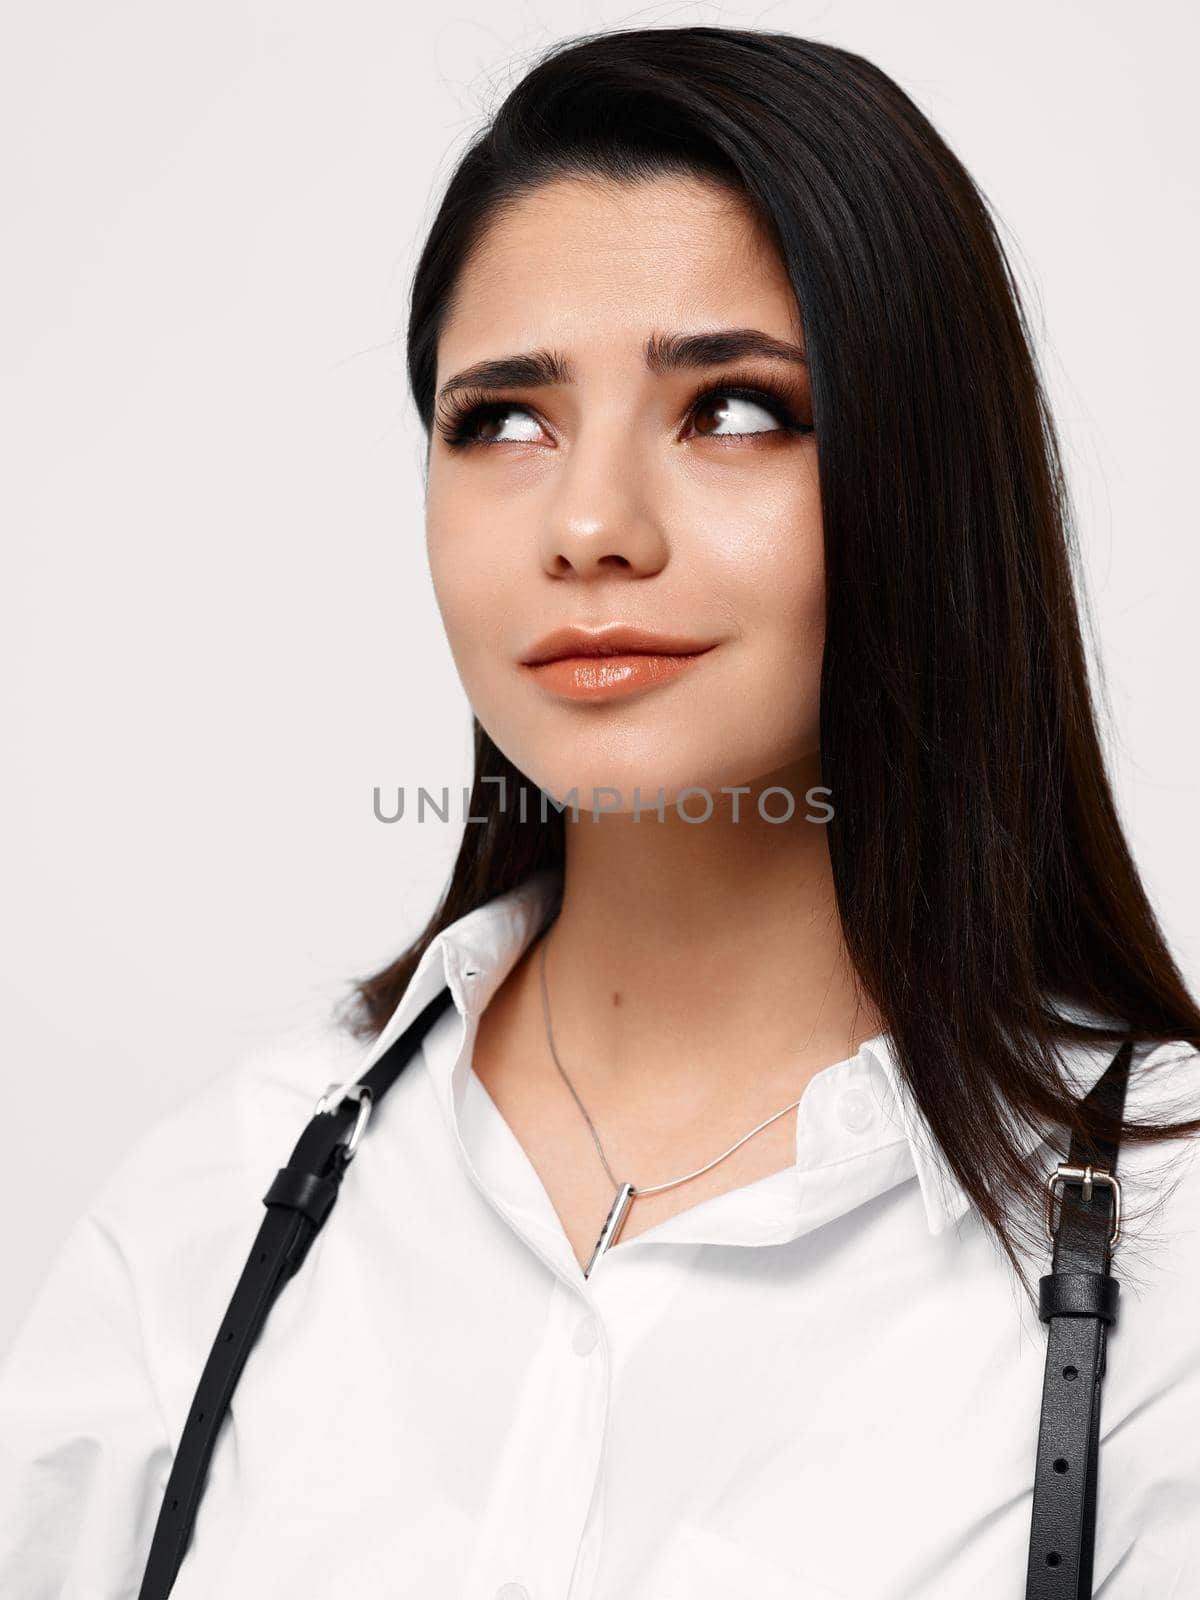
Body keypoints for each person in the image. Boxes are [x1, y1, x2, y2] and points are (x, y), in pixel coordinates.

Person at [2, 23, 1199, 1600]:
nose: (588, 524)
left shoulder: (1169, 1266)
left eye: (736, 410)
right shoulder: (205, 1218)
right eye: (503, 421)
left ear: (927, 473)